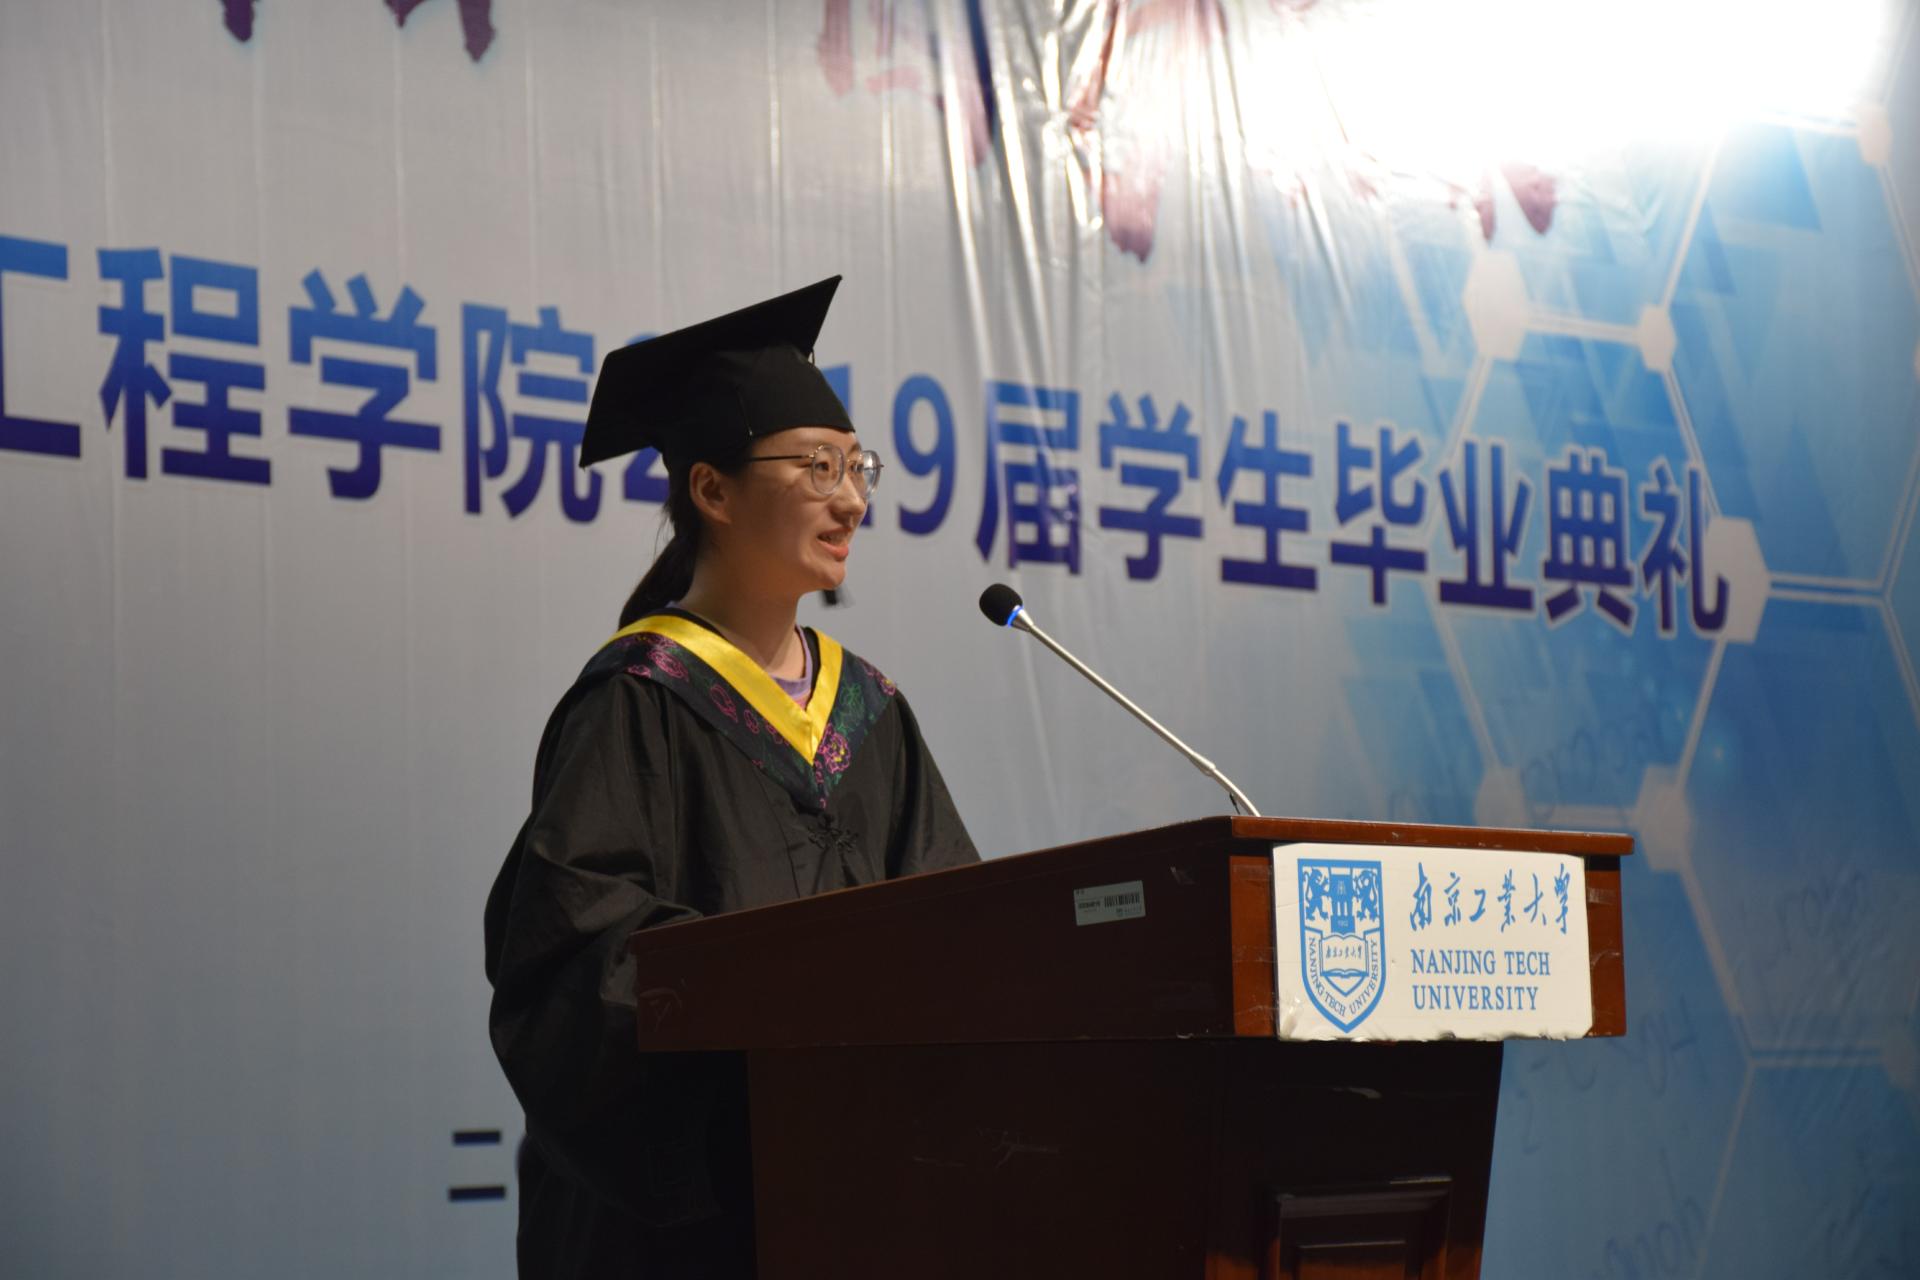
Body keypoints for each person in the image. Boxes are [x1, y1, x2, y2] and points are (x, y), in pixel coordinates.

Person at [482, 277, 979, 1277]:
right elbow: (571, 960)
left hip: (857, 1206)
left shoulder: (871, 713)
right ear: (711, 491)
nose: (853, 498)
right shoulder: (637, 701)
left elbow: (956, 924)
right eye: (819, 467)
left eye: (858, 467)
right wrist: (767, 1059)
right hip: (692, 1230)